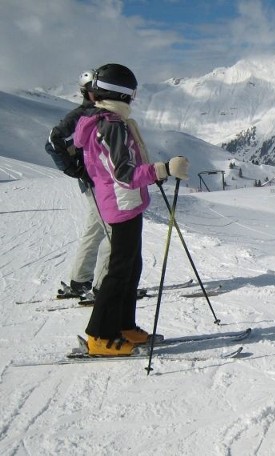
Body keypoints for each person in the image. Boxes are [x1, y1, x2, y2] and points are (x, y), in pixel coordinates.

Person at [74, 63, 189, 356]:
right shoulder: (111, 127)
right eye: (133, 94)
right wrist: (162, 170)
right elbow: (124, 174)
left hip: (124, 204)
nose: (135, 99)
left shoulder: (106, 121)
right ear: (122, 94)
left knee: (131, 266)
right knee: (119, 271)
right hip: (120, 204)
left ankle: (123, 325)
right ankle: (99, 336)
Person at [45, 70, 110, 298]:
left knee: (95, 230)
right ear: (86, 92)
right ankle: (105, 287)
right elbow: (53, 142)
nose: (98, 93)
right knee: (114, 231)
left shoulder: (101, 111)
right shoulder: (80, 115)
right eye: (94, 90)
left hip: (99, 182)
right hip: (95, 184)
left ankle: (80, 281)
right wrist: (75, 169)